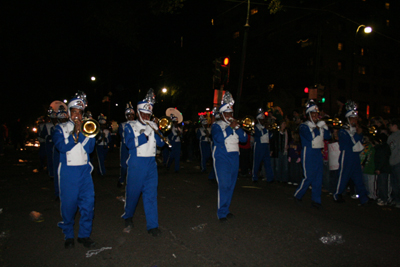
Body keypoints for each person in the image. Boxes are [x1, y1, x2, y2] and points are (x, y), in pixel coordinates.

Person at [53, 92, 96, 249]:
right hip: (68, 172)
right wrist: (75, 134)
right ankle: (69, 234)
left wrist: (83, 132)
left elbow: (90, 149)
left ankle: (84, 235)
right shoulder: (60, 128)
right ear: (70, 113)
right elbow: (62, 147)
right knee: (69, 206)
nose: (77, 115)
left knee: (88, 205)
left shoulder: (87, 128)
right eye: (74, 112)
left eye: (80, 112)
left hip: (85, 172)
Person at [122, 89, 165, 236]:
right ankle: (128, 216)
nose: (147, 116)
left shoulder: (152, 125)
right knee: (133, 194)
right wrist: (146, 133)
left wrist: (158, 131)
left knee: (151, 194)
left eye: (149, 114)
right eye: (144, 114)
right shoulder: (130, 126)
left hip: (151, 164)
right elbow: (129, 144)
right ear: (139, 113)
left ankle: (152, 225)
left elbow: (161, 143)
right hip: (136, 164)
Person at [211, 92, 247, 221]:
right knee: (224, 184)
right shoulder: (216, 126)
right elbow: (218, 139)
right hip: (222, 156)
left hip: (234, 156)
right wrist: (230, 128)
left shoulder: (235, 126)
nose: (229, 116)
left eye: (231, 113)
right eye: (226, 114)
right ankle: (221, 212)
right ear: (221, 115)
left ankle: (226, 209)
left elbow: (244, 139)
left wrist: (238, 128)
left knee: (231, 185)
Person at [294, 100, 331, 209]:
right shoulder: (304, 126)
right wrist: (318, 127)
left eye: (316, 114)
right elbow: (311, 137)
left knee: (318, 177)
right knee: (308, 176)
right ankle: (298, 195)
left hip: (318, 152)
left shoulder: (318, 125)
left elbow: (328, 136)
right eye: (313, 114)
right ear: (308, 115)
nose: (315, 116)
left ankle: (316, 200)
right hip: (308, 151)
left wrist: (325, 127)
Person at [333, 101, 369, 206]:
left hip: (355, 156)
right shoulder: (343, 130)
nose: (355, 120)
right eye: (353, 118)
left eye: (356, 118)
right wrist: (358, 135)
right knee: (343, 176)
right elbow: (350, 143)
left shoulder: (355, 129)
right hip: (347, 155)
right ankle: (337, 194)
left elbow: (360, 142)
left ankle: (364, 198)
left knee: (358, 178)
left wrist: (359, 134)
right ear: (348, 118)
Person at [252, 109, 274, 183]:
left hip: (266, 145)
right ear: (258, 120)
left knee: (267, 162)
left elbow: (270, 136)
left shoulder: (265, 126)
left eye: (263, 119)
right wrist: (266, 129)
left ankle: (270, 178)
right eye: (261, 119)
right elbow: (259, 134)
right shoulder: (256, 127)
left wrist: (271, 131)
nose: (262, 121)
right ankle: (254, 177)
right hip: (259, 145)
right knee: (257, 162)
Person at [52, 105, 69, 201]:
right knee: (58, 172)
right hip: (59, 151)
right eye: (61, 119)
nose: (63, 121)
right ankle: (58, 193)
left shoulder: (70, 126)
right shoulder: (57, 128)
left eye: (64, 119)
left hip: (69, 151)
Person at [118, 103, 135, 188]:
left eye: (132, 115)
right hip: (125, 147)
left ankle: (130, 182)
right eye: (129, 115)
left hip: (134, 146)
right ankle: (121, 179)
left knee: (133, 166)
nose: (130, 117)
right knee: (124, 166)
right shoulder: (122, 125)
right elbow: (123, 137)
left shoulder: (137, 124)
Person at [387, 119, 400, 208]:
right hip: (392, 162)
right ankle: (396, 199)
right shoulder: (391, 136)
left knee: (398, 182)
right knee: (394, 183)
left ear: (395, 126)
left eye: (391, 125)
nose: (389, 127)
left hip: (398, 161)